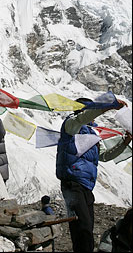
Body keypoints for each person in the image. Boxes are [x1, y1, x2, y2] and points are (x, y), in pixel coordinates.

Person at [56, 96, 132, 253]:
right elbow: (82, 118)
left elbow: (104, 156)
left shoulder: (92, 133)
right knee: (81, 227)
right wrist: (107, 106)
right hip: (72, 183)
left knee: (87, 227)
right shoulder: (71, 125)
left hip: (86, 185)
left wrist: (124, 143)